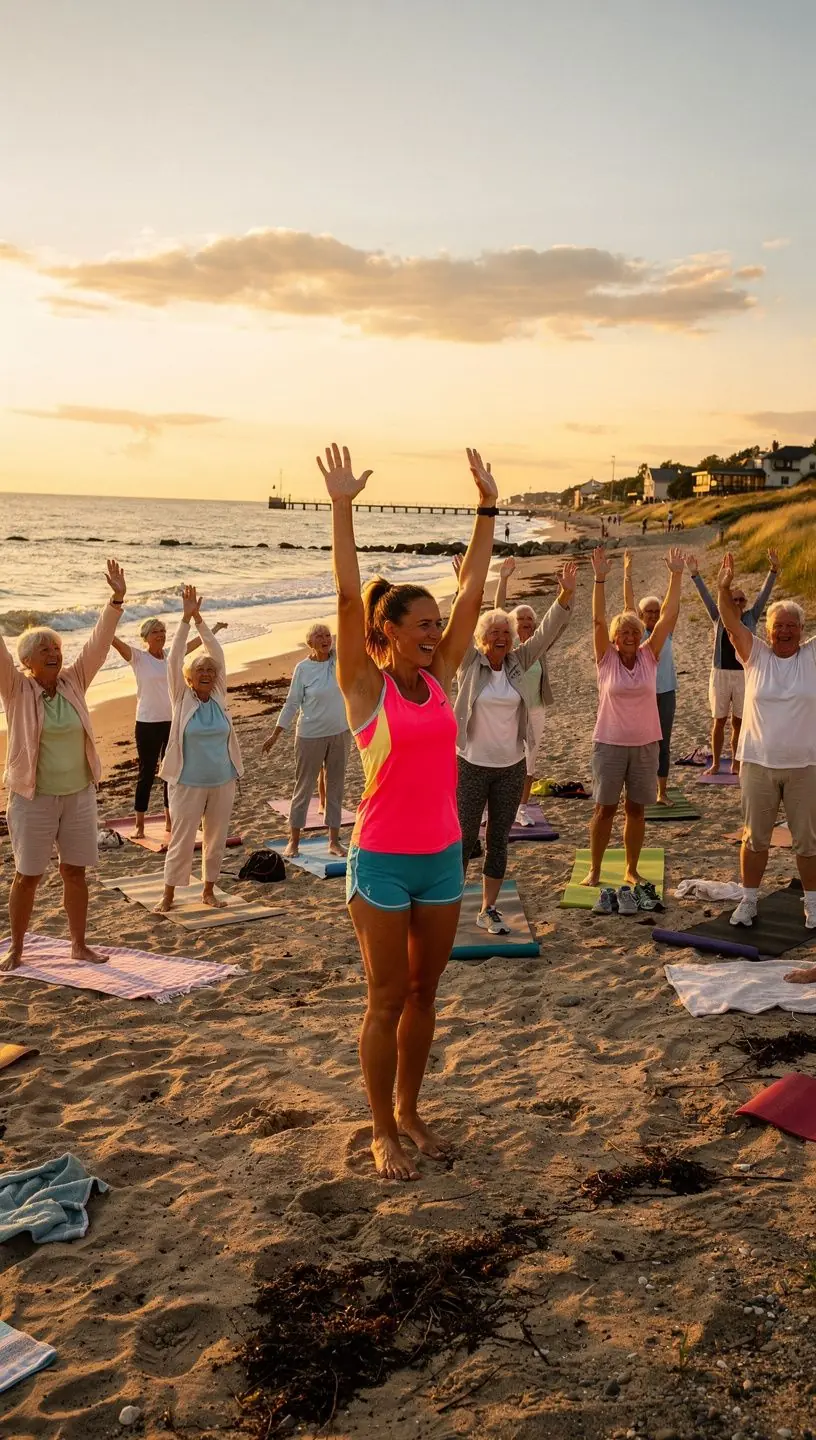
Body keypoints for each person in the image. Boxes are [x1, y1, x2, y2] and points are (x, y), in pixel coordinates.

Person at [321, 441, 497, 1182]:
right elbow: (344, 595)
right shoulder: (366, 688)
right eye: (420, 624)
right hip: (383, 863)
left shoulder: (442, 672)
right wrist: (340, 509)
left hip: (443, 858)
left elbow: (474, 593)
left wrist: (487, 508)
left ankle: (411, 1109)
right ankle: (379, 1128)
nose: (435, 632)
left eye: (436, 624)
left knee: (427, 994)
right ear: (387, 629)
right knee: (385, 996)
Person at [0, 559, 127, 971]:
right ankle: (16, 949)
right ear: (27, 662)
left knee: (75, 872)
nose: (55, 653)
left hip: (78, 795)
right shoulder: (16, 690)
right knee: (28, 875)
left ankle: (78, 944)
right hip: (33, 798)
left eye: (56, 647)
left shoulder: (74, 680)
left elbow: (98, 642)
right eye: (45, 650)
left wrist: (116, 600)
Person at [457, 561, 576, 926]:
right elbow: (459, 625)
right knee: (462, 840)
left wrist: (565, 594)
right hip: (471, 764)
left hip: (510, 767)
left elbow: (544, 632)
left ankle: (487, 909)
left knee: (498, 839)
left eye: (505, 630)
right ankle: (448, 904)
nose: (501, 636)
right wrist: (464, 586)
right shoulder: (468, 663)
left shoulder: (518, 661)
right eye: (493, 631)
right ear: (481, 638)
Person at [715, 555, 816, 980]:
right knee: (754, 839)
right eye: (779, 626)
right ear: (768, 631)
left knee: (807, 841)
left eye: (792, 626)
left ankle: (812, 903)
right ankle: (749, 898)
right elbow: (730, 621)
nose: (785, 632)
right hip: (757, 762)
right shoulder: (754, 655)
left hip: (805, 765)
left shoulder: (811, 657)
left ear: (802, 631)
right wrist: (723, 587)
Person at [584, 545, 684, 895]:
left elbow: (669, 615)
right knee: (604, 810)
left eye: (634, 631)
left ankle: (630, 869)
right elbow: (597, 619)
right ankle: (595, 869)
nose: (629, 636)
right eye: (623, 632)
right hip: (609, 745)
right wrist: (599, 579)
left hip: (644, 745)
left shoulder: (649, 657)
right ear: (613, 639)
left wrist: (675, 575)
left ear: (642, 634)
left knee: (637, 810)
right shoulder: (606, 659)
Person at [156, 586, 242, 912]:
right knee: (182, 838)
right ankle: (169, 895)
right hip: (187, 781)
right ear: (189, 679)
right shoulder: (181, 698)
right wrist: (184, 619)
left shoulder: (219, 695)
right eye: (200, 671)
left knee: (216, 838)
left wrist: (201, 621)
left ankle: (208, 890)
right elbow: (175, 657)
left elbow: (216, 653)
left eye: (210, 671)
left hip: (222, 779)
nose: (206, 673)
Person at [111, 616, 227, 837]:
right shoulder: (138, 657)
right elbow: (113, 641)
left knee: (171, 772)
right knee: (146, 772)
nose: (161, 635)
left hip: (173, 722)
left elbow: (194, 643)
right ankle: (140, 825)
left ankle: (169, 822)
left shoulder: (171, 657)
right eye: (155, 631)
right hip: (147, 722)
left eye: (163, 631)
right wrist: (106, 623)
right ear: (146, 637)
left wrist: (213, 629)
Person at [261, 622, 350, 858]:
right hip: (310, 735)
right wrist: (276, 732)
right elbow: (292, 703)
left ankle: (333, 841)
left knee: (335, 788)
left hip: (340, 732)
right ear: (309, 643)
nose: (325, 639)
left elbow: (350, 635)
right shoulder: (303, 668)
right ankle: (294, 841)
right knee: (304, 788)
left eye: (327, 635)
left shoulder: (338, 660)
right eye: (319, 636)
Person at [686, 549, 779, 774]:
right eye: (733, 598)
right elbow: (707, 596)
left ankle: (737, 762)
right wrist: (695, 574)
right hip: (719, 674)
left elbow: (764, 595)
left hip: (743, 674)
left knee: (739, 722)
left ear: (745, 603)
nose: (737, 602)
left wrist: (774, 570)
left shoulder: (751, 616)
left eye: (740, 599)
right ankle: (717, 763)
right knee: (718, 721)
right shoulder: (718, 616)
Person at [493, 557, 563, 820]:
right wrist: (503, 579)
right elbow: (497, 611)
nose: (525, 621)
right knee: (507, 757)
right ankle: (502, 805)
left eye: (529, 619)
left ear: (534, 624)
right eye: (520, 618)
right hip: (510, 712)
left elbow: (557, 624)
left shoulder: (538, 648)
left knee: (529, 759)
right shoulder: (507, 648)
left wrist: (564, 593)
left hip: (536, 710)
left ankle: (521, 806)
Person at [623, 550, 677, 805]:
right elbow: (628, 604)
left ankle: (661, 792)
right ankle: (636, 789)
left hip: (666, 692)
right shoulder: (637, 635)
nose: (654, 615)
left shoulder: (666, 632)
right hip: (641, 695)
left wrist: (673, 575)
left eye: (657, 612)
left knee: (662, 742)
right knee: (639, 742)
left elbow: (670, 606)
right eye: (650, 612)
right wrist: (627, 574)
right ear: (641, 616)